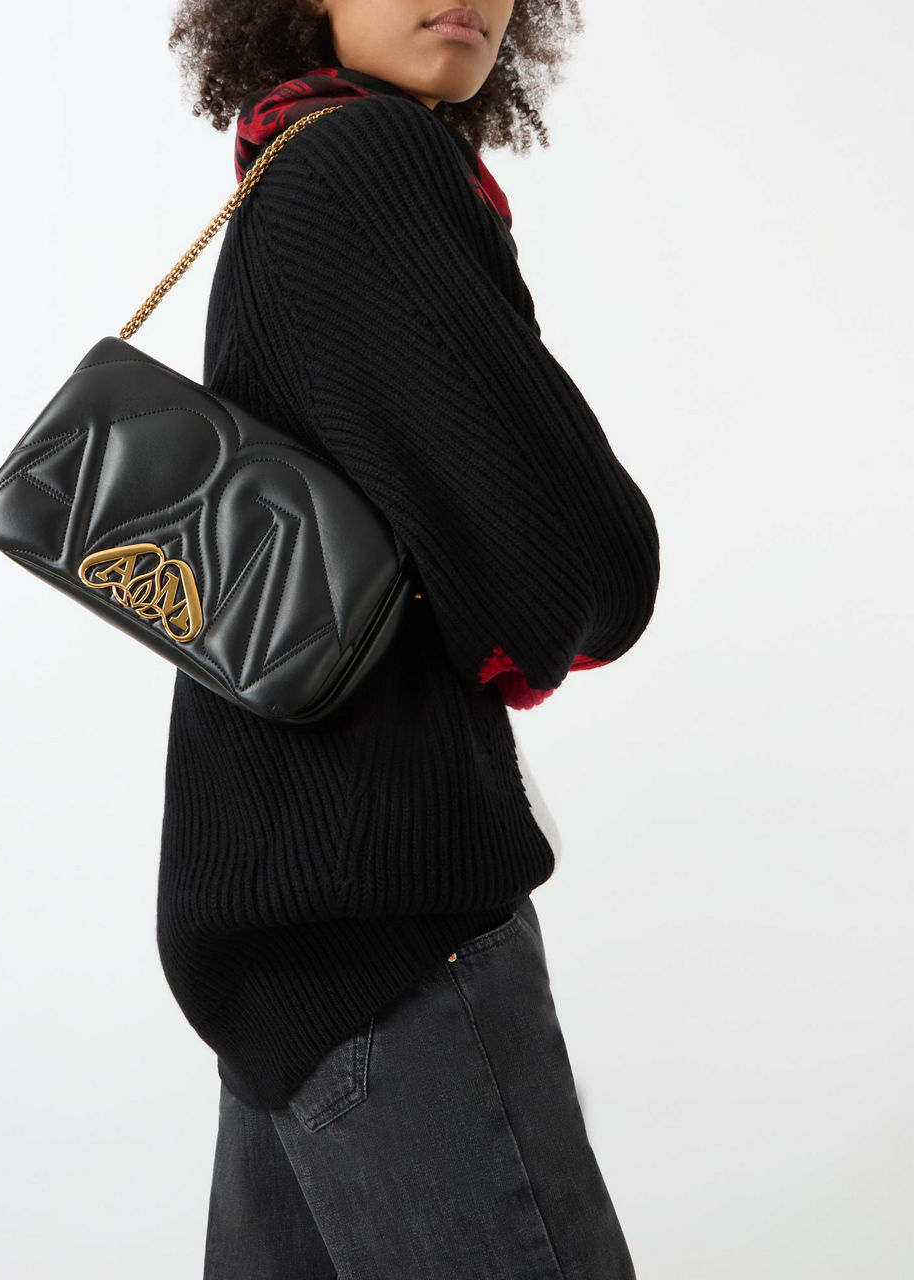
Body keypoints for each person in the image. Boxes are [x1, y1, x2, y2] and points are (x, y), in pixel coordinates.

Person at [162, 1, 659, 1275]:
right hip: (393, 921)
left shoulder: (285, 159)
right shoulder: (365, 158)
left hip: (281, 930)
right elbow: (572, 562)